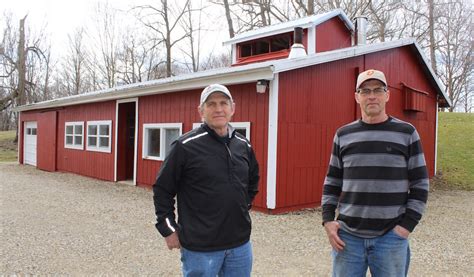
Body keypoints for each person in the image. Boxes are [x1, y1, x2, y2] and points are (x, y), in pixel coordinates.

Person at [321, 69, 429, 277]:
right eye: (365, 90)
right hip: (348, 239)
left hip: (390, 237)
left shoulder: (406, 133)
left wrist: (405, 228)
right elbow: (332, 182)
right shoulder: (343, 135)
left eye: (378, 90)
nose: (372, 96)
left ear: (387, 95)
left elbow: (420, 185)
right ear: (356, 97)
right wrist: (328, 220)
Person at [153, 84, 260, 277]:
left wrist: (243, 206)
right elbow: (162, 189)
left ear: (232, 108)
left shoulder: (243, 145)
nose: (218, 109)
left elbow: (253, 181)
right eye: (211, 104)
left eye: (223, 103)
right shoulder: (185, 146)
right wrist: (168, 229)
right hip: (200, 248)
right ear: (201, 111)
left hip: (240, 245)